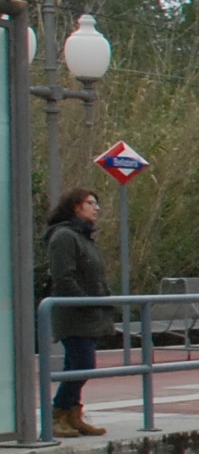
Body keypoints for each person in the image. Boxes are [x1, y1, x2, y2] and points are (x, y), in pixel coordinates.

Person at [43, 186, 117, 438]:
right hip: (74, 313)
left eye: (97, 203)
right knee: (82, 364)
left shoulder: (83, 237)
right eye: (90, 203)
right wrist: (86, 302)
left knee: (77, 364)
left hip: (88, 312)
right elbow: (64, 278)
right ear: (76, 206)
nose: (96, 208)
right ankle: (58, 412)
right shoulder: (64, 236)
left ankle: (73, 414)